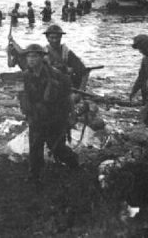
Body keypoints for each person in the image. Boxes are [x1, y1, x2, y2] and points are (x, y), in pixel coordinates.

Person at [18, 43, 79, 183]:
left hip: (55, 117)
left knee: (56, 147)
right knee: (35, 146)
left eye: (34, 56)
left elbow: (67, 97)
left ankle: (74, 163)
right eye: (28, 56)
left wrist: (71, 116)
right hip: (36, 116)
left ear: (41, 58)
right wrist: (27, 111)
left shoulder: (56, 75)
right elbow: (22, 95)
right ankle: (35, 175)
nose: (31, 60)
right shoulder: (25, 76)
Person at [43, 25, 88, 90]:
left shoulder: (67, 53)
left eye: (57, 37)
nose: (55, 40)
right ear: (47, 38)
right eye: (52, 38)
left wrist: (80, 91)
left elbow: (84, 72)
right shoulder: (42, 53)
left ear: (61, 37)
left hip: (65, 86)